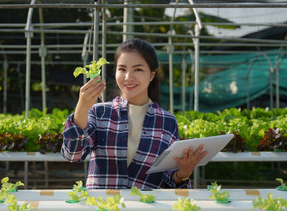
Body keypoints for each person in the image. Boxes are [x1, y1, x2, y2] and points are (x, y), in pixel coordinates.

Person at [61, 38, 207, 189]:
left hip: (145, 210)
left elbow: (168, 177)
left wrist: (182, 174)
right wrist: (82, 107)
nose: (128, 77)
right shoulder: (100, 113)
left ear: (151, 75)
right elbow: (73, 154)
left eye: (138, 69)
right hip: (103, 209)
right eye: (122, 69)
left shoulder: (167, 121)